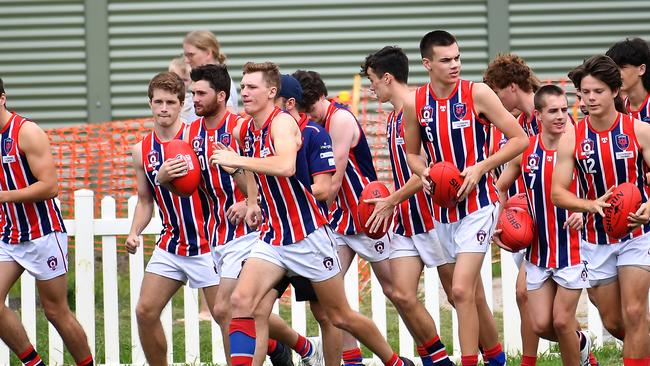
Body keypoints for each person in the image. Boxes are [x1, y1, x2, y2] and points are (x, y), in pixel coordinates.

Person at [210, 61, 413, 366]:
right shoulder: (246, 128)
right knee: (240, 302)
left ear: (272, 92)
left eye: (252, 87)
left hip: (308, 237)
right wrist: (252, 201)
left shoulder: (282, 124)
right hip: (274, 239)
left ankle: (395, 362)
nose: (245, 92)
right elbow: (250, 160)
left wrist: (237, 159)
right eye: (243, 87)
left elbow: (285, 166)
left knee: (338, 316)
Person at [403, 30, 528, 366]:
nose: (455, 64)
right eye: (446, 60)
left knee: (459, 290)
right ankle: (497, 358)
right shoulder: (416, 102)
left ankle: (469, 361)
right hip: (442, 209)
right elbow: (412, 154)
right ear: (427, 64)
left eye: (457, 57)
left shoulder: (478, 93)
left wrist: (480, 168)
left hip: (480, 205)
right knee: (470, 294)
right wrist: (424, 174)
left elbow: (519, 140)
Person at [292, 69, 399, 366]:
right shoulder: (310, 125)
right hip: (339, 222)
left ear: (322, 98)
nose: (309, 116)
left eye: (311, 109)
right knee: (329, 299)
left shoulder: (339, 119)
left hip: (366, 219)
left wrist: (296, 202)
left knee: (397, 291)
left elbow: (334, 182)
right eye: (305, 111)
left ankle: (428, 355)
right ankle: (351, 360)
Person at [360, 45, 458, 366]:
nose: (371, 87)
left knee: (459, 297)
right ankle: (438, 360)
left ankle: (491, 355)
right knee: (400, 293)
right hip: (406, 221)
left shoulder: (421, 109)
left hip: (435, 219)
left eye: (373, 80)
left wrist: (391, 199)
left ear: (388, 78)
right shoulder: (390, 120)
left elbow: (430, 172)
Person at [553, 54, 650, 365]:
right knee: (614, 321)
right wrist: (589, 205)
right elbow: (557, 193)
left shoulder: (638, 130)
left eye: (597, 91)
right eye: (584, 92)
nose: (590, 98)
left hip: (638, 234)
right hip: (596, 240)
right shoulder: (572, 136)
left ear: (615, 92)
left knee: (635, 311)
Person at [125, 72, 219, 366]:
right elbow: (144, 200)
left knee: (228, 317)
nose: (163, 108)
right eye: (157, 102)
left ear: (182, 105)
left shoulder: (198, 138)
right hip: (172, 243)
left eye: (170, 102)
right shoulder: (142, 150)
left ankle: (284, 347)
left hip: (208, 243)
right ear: (150, 104)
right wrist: (134, 231)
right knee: (145, 311)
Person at [0, 78, 94, 366]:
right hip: (9, 235)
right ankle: (34, 363)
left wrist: (4, 197)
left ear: (2, 98)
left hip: (42, 233)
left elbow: (50, 186)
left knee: (55, 311)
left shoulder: (25, 132)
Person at [496, 85, 592, 365]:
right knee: (540, 324)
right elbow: (500, 188)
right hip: (538, 253)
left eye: (564, 109)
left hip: (574, 251)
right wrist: (495, 225)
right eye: (553, 111)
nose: (561, 116)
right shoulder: (526, 150)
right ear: (537, 114)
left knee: (563, 322)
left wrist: (584, 212)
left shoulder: (578, 147)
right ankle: (582, 344)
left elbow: (600, 188)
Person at [269, 74, 338, 366]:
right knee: (248, 307)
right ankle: (304, 348)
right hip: (272, 239)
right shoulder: (261, 133)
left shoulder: (314, 134)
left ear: (289, 103)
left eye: (273, 100)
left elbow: (323, 189)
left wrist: (288, 198)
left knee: (328, 314)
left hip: (308, 236)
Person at [482, 53, 542, 365]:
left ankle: (581, 349)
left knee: (528, 296)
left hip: (552, 218)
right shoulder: (517, 124)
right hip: (525, 217)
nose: (494, 99)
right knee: (528, 298)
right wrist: (501, 214)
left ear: (513, 87)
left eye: (496, 91)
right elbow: (507, 178)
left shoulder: (551, 117)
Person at [183, 30, 238, 112]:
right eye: (185, 55)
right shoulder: (205, 79)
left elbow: (229, 117)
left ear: (208, 53)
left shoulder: (220, 82)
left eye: (191, 55)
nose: (186, 60)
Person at [606, 38, 650, 122]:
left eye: (622, 67)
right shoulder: (618, 109)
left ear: (641, 69)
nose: (617, 73)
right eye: (614, 68)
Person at [168, 57, 198, 124]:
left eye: (185, 80)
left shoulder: (193, 99)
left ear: (191, 81)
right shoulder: (167, 98)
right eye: (177, 79)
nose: (181, 83)